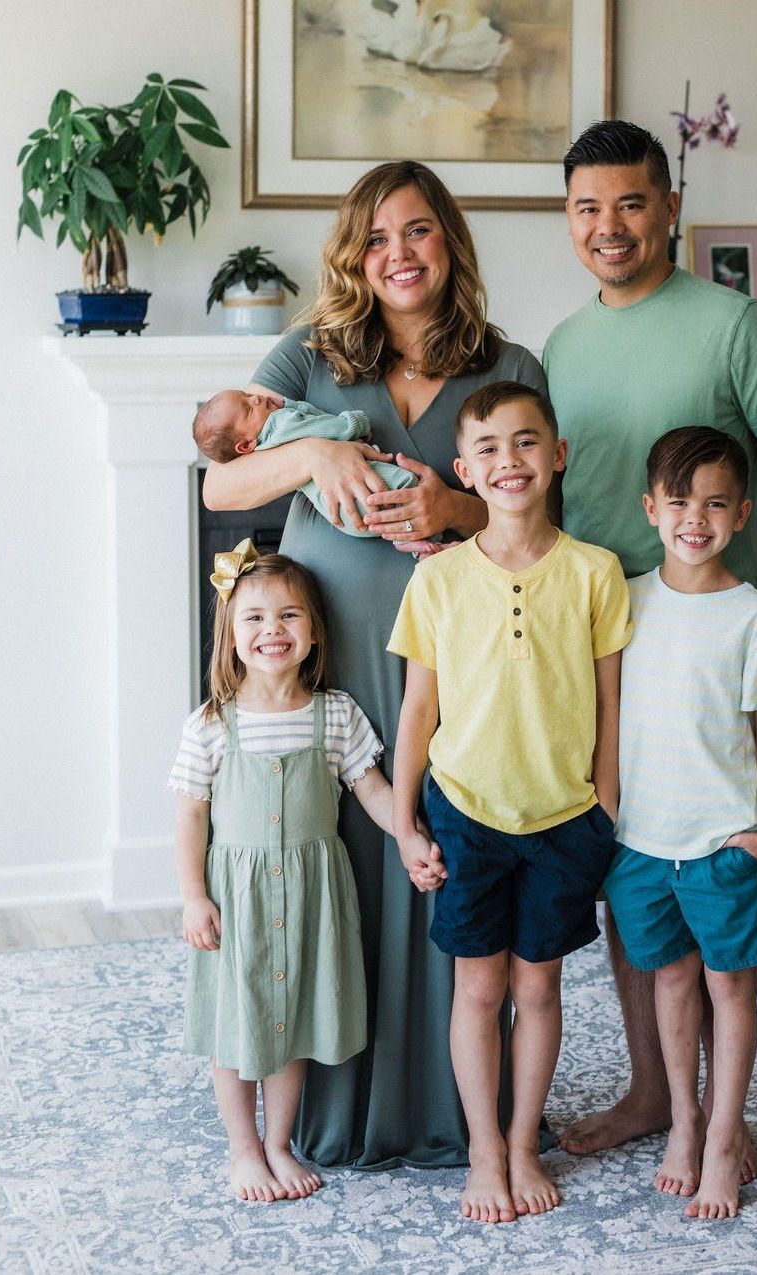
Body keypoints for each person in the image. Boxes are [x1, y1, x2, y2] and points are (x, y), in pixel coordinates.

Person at [201, 161, 547, 1170]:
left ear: (451, 243)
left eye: (420, 231)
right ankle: (319, 1110)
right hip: (334, 669)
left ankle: (455, 1109)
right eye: (377, 237)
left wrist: (459, 511)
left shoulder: (508, 361)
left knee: (449, 858)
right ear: (353, 255)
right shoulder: (309, 356)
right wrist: (313, 460)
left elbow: (540, 512)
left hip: (467, 663)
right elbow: (224, 480)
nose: (399, 254)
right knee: (335, 868)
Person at [542, 119, 757, 1161]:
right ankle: (654, 1091)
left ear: (668, 207)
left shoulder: (732, 323)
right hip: (607, 646)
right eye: (585, 207)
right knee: (635, 875)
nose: (607, 226)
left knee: (714, 872)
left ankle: (723, 1114)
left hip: (714, 644)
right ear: (567, 220)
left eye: (628, 202)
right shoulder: (563, 346)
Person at [389, 381, 632, 1223]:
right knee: (478, 991)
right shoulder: (440, 579)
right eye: (488, 448)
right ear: (464, 470)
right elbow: (419, 709)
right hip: (465, 811)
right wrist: (404, 819)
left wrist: (604, 807)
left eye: (527, 442)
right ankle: (485, 1152)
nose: (509, 460)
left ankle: (526, 1142)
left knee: (540, 990)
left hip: (564, 819)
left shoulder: (596, 573)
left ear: (557, 456)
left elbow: (609, 704)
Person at [168, 543, 394, 1201]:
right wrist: (192, 897)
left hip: (311, 895)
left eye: (289, 615)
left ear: (315, 629)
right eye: (255, 619)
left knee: (292, 1019)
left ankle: (278, 1142)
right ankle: (242, 1147)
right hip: (236, 900)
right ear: (231, 636)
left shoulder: (335, 712)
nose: (273, 630)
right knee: (237, 1021)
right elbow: (189, 817)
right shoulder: (211, 724)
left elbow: (372, 788)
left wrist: (408, 836)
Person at [605, 427, 757, 1220]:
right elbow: (607, 710)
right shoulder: (627, 598)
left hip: (724, 840)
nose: (696, 518)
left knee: (729, 986)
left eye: (716, 502)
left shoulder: (753, 613)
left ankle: (723, 1137)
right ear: (652, 508)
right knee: (670, 980)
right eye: (680, 501)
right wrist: (608, 806)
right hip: (640, 839)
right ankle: (683, 1121)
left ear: (742, 513)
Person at [193, 392, 436, 546]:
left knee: (398, 520)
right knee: (406, 488)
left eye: (247, 395)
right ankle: (429, 539)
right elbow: (322, 428)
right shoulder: (280, 423)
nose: (255, 399)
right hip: (357, 494)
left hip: (345, 514)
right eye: (248, 409)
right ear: (245, 445)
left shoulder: (263, 450)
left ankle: (416, 546)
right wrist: (355, 424)